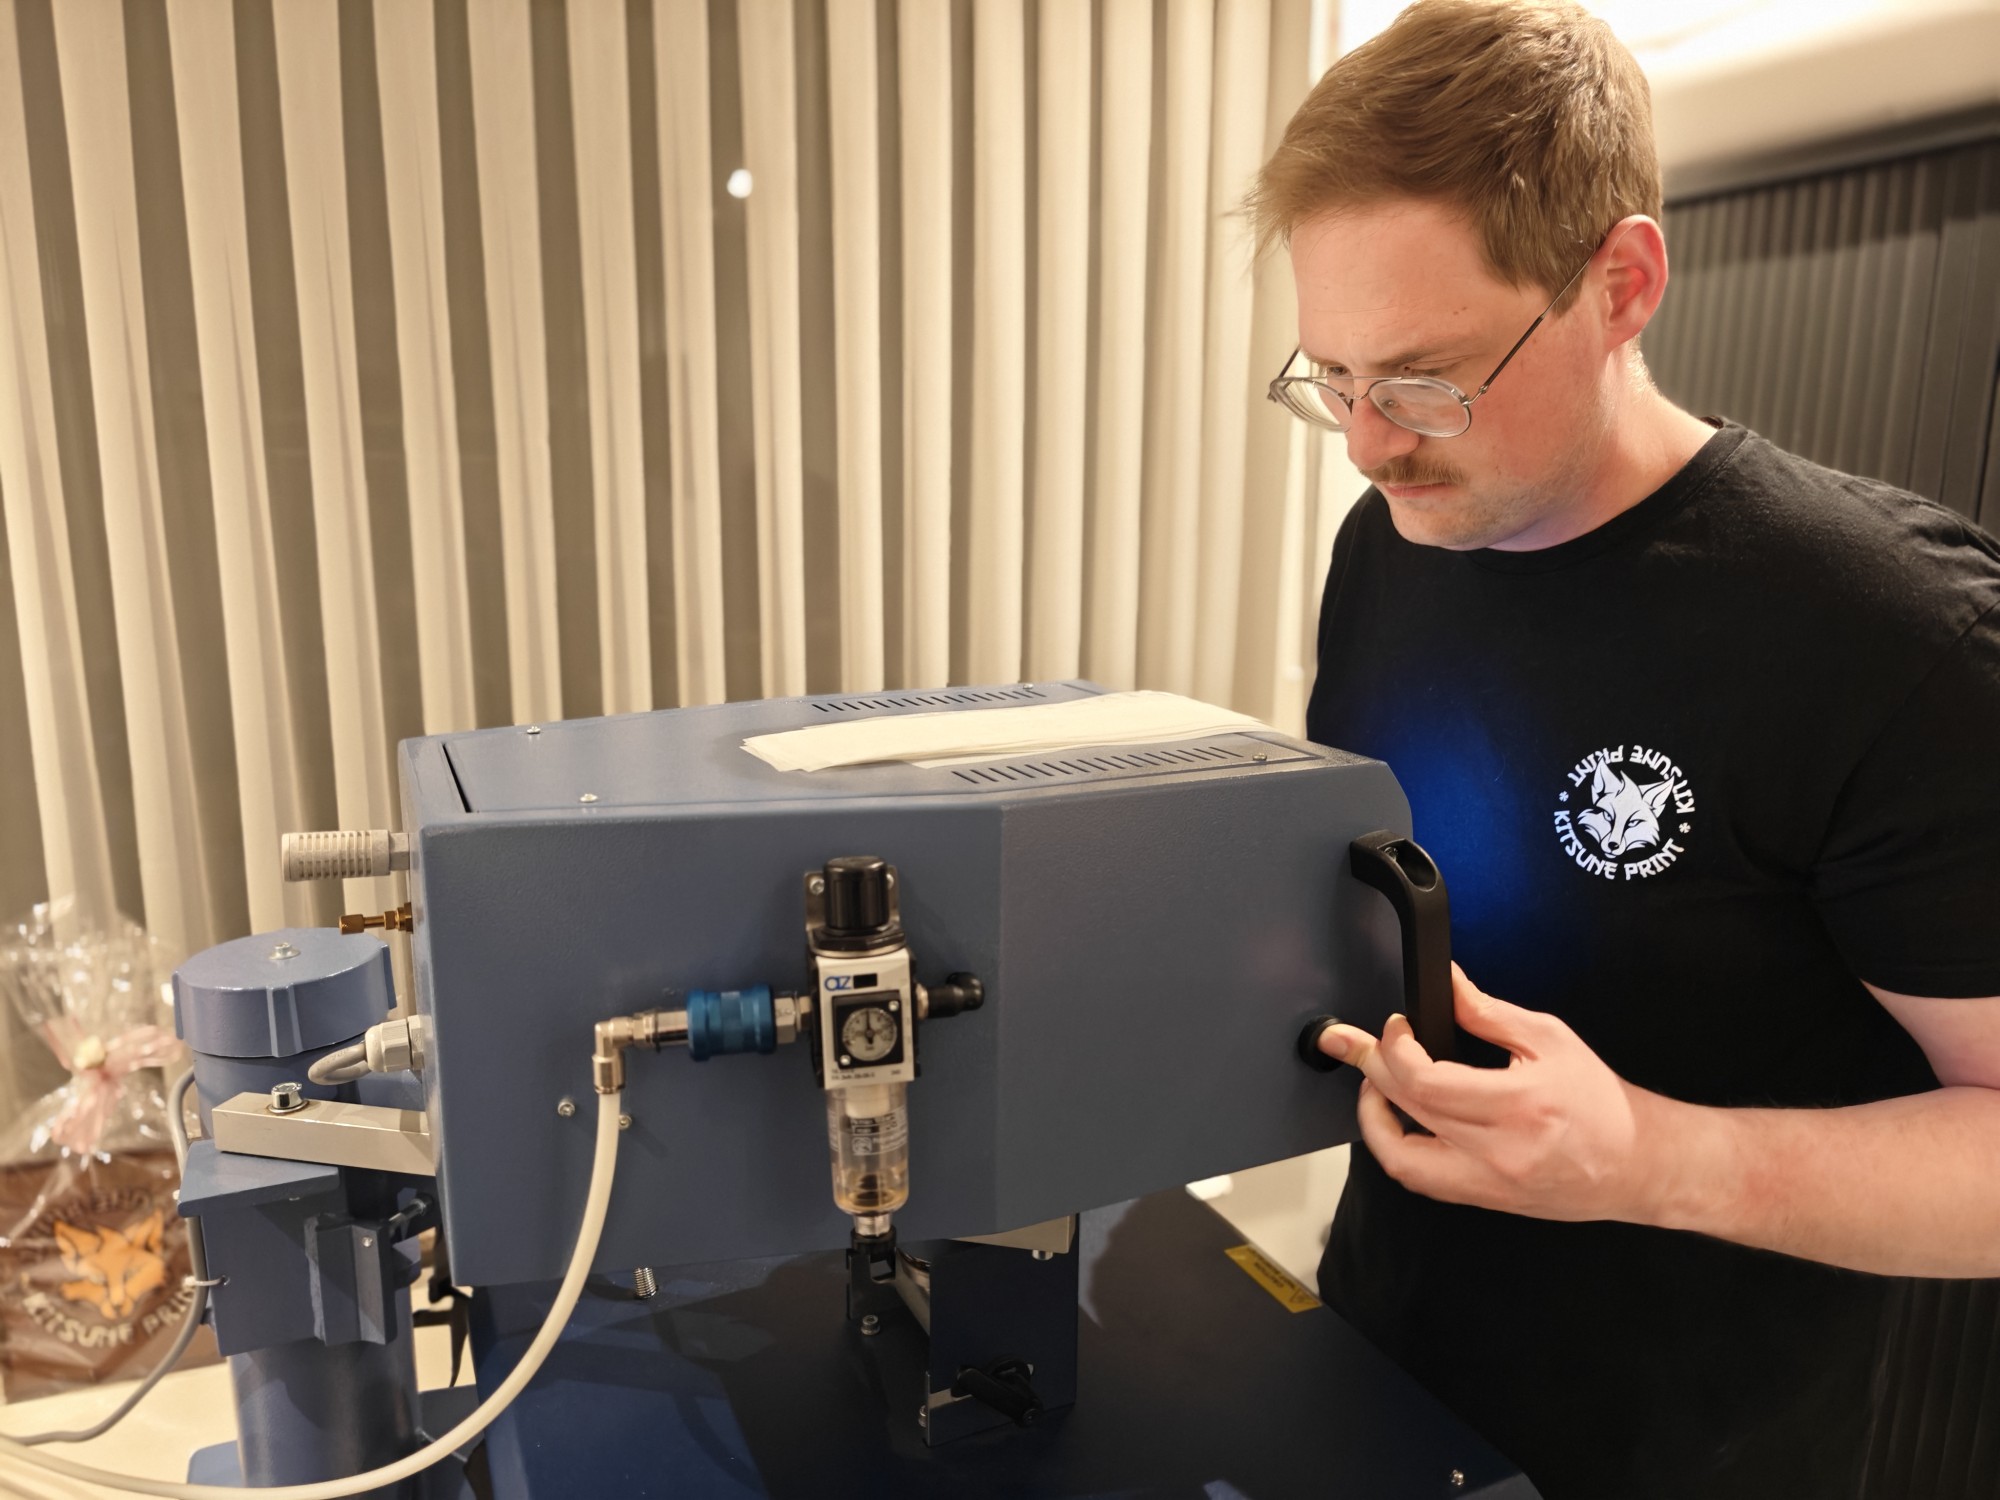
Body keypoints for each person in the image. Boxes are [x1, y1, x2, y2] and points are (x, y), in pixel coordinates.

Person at [1247, 3, 2000, 1497]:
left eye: (1425, 376)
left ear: (1622, 285)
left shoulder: (1895, 634)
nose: (1371, 444)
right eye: (1331, 378)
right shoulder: (1387, 544)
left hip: (1688, 1449)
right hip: (1379, 1364)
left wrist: (1655, 1159)